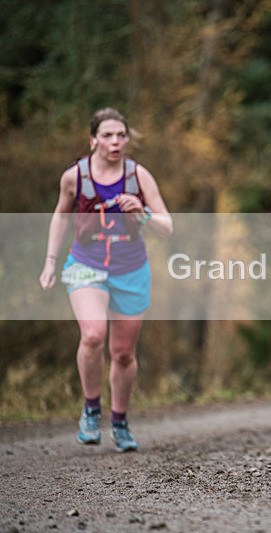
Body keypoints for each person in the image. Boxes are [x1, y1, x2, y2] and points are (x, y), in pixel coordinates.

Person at [39, 108, 173, 451]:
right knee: (94, 333)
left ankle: (120, 421)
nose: (115, 141)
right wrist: (51, 261)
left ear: (127, 139)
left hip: (131, 268)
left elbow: (167, 226)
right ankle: (90, 408)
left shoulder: (139, 176)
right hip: (86, 264)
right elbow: (60, 216)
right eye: (108, 135)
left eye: (121, 135)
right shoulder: (75, 177)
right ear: (93, 140)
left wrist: (140, 213)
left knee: (124, 353)